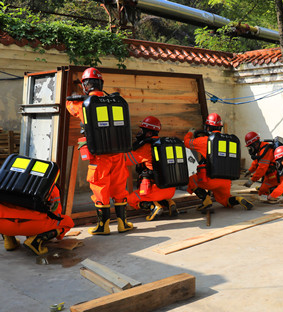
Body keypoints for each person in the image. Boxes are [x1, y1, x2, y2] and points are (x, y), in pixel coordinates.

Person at [65, 67, 134, 235]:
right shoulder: (115, 101)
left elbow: (69, 106)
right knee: (119, 187)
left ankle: (103, 226)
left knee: (100, 188)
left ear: (85, 86)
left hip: (99, 156)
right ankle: (123, 223)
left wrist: (74, 96)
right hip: (118, 153)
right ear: (101, 83)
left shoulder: (83, 104)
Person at [185, 113, 253, 211]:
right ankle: (238, 199)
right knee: (224, 200)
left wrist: (190, 133)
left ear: (208, 127)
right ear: (220, 127)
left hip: (210, 179)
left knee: (191, 180)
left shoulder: (204, 140)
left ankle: (206, 200)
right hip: (226, 181)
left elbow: (187, 143)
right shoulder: (229, 141)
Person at [123, 116, 178, 221]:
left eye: (142, 130)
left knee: (130, 199)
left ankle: (153, 207)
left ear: (148, 133)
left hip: (156, 189)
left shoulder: (146, 146)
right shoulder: (165, 143)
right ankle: (170, 203)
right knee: (159, 194)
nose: (140, 133)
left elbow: (126, 160)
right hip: (170, 190)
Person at [1, 184, 74, 256]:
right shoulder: (50, 186)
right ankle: (35, 241)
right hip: (30, 224)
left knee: (7, 209)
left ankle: (10, 241)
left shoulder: (4, 179)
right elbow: (56, 214)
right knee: (67, 221)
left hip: (3, 225)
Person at [243, 131, 279, 196]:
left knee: (262, 192)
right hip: (269, 175)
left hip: (273, 176)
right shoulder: (261, 149)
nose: (250, 149)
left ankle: (276, 190)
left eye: (250, 147)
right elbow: (256, 162)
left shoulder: (265, 150)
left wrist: (252, 180)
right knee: (262, 190)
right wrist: (250, 171)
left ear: (255, 144)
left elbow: (261, 169)